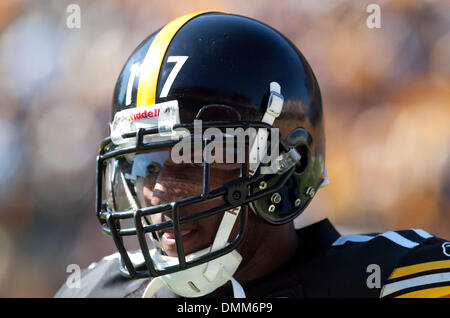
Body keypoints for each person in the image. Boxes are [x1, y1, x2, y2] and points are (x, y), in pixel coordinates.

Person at [55, 11, 450, 298]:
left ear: (286, 165)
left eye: (194, 158)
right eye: (146, 165)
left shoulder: (394, 278)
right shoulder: (92, 292)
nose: (158, 192)